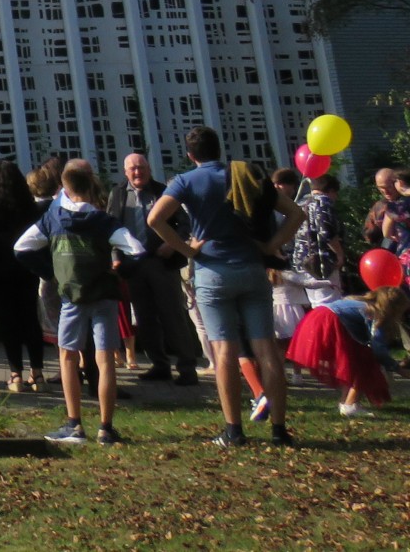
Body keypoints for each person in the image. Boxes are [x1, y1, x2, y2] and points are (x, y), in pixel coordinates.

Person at [146, 125, 305, 447]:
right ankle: (279, 429)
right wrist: (271, 245)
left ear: (190, 155)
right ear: (219, 149)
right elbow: (295, 213)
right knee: (266, 350)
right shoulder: (246, 176)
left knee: (224, 351)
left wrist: (187, 249)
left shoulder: (186, 180)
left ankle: (233, 430)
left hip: (212, 271)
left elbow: (155, 220)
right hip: (250, 266)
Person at [15, 158, 142, 444]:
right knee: (105, 358)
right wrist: (122, 270)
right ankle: (106, 428)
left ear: (64, 188)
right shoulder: (104, 220)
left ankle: (74, 424)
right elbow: (137, 250)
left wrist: (50, 271)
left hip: (71, 296)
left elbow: (21, 247)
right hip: (104, 294)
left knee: (68, 357)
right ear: (91, 185)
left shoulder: (53, 218)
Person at [107, 150, 200, 384]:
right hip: (133, 266)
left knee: (173, 316)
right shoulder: (117, 194)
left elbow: (184, 223)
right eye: (133, 168)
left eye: (142, 167)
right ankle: (159, 365)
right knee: (145, 318)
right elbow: (111, 227)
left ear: (149, 169)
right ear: (125, 172)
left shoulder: (163, 192)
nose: (138, 172)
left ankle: (187, 367)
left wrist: (172, 244)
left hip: (162, 263)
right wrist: (115, 257)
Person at [0, 159, 46, 393]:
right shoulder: (29, 206)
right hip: (26, 266)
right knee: (30, 318)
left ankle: (15, 374)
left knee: (8, 322)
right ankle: (37, 373)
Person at [287, 287, 407, 415]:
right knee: (365, 363)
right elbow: (378, 348)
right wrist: (397, 368)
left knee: (353, 363)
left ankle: (346, 402)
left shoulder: (360, 303)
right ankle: (350, 404)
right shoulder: (373, 312)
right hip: (329, 323)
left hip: (318, 318)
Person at [291, 171, 346, 301]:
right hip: (321, 262)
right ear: (331, 190)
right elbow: (326, 232)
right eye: (335, 193)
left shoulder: (301, 203)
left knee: (314, 302)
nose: (336, 197)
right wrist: (339, 254)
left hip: (302, 262)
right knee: (328, 302)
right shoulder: (323, 203)